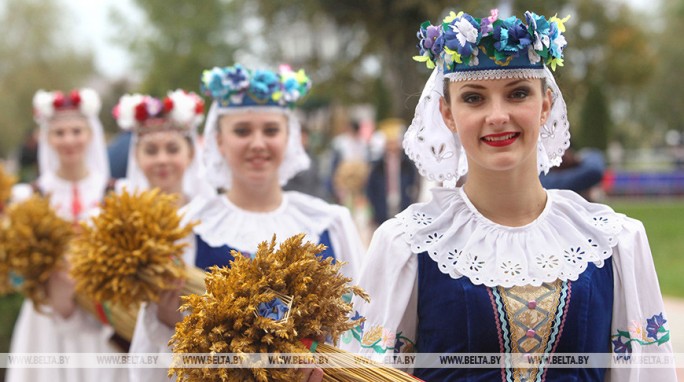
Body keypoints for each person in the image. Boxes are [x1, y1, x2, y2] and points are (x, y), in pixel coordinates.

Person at [341, 9, 676, 381]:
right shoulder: (407, 245)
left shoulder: (614, 241)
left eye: (518, 93)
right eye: (474, 98)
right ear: (447, 113)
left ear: (545, 105)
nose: (498, 115)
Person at [128, 64, 365, 382]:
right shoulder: (188, 228)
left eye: (270, 130)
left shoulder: (330, 222)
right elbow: (151, 359)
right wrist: (173, 322)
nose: (257, 143)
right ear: (219, 141)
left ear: (290, 137)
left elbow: (362, 329)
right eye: (242, 131)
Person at [7, 89, 128, 382]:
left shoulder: (117, 192)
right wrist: (48, 285)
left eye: (76, 130)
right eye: (59, 132)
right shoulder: (28, 196)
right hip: (46, 320)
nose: (69, 139)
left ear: (90, 134)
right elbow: (14, 274)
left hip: (104, 317)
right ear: (47, 138)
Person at [112, 89, 213, 201]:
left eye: (173, 150)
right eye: (151, 151)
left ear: (191, 153)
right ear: (136, 155)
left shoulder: (209, 216)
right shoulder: (121, 215)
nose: (162, 160)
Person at [365, 118, 419, 228]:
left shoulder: (408, 166)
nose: (392, 146)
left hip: (403, 206)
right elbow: (371, 189)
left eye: (394, 143)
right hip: (382, 209)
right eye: (389, 143)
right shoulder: (377, 167)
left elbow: (414, 185)